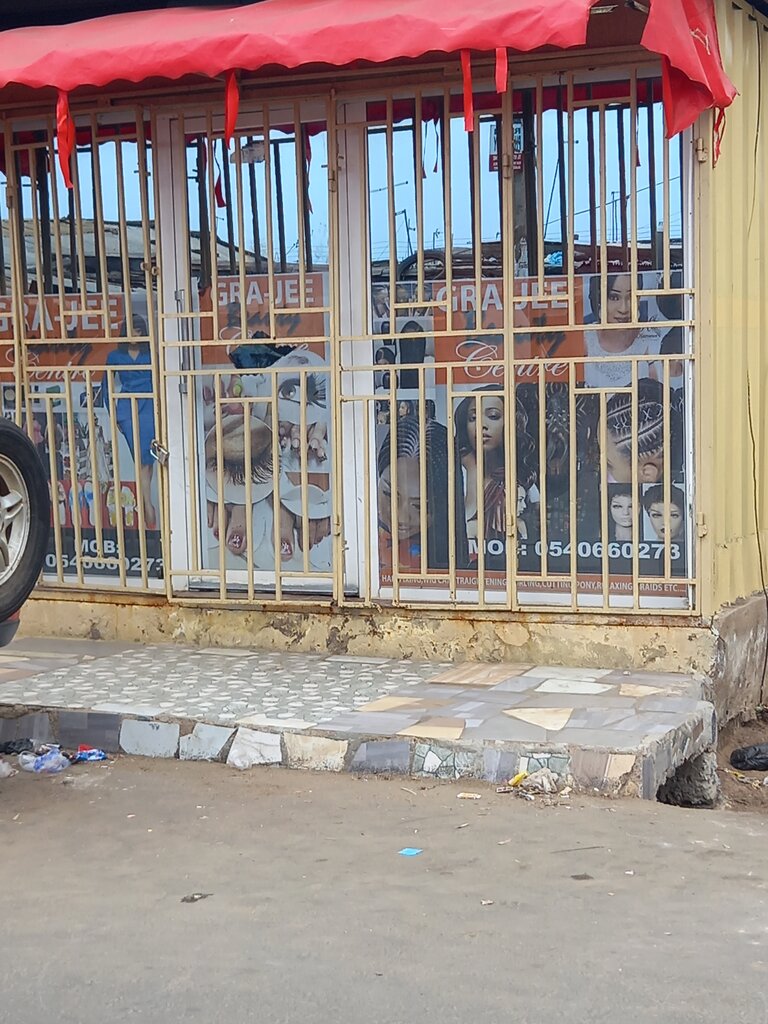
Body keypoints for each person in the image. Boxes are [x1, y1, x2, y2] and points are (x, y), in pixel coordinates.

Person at [377, 415, 466, 572]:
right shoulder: (356, 543)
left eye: (419, 506)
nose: (401, 518)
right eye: (389, 495)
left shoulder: (448, 561)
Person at [104, 314, 157, 528]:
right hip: (127, 407)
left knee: (147, 457)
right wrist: (113, 413)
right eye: (131, 330)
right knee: (140, 457)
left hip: (149, 405)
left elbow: (160, 381)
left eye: (138, 331)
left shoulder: (151, 354)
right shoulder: (114, 356)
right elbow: (106, 386)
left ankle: (145, 502)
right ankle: (147, 504)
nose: (134, 335)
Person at [455, 387, 505, 566]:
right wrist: (472, 469)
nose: (481, 425)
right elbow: (459, 524)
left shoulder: (523, 478)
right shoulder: (455, 470)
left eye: (493, 416)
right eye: (473, 418)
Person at [584, 274, 662, 388]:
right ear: (599, 300)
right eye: (614, 297)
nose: (624, 309)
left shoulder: (651, 340)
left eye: (631, 296)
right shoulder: (584, 339)